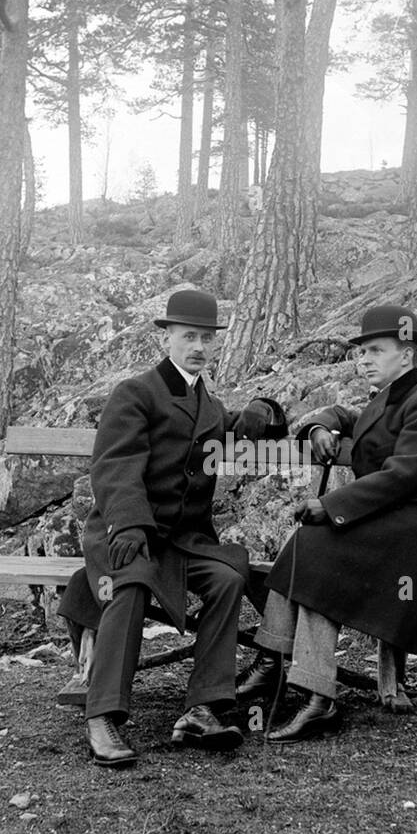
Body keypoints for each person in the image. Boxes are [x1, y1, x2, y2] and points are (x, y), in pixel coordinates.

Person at [58, 289, 285, 767]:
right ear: (168, 338)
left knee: (227, 579)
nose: (198, 346)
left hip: (182, 541)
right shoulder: (136, 393)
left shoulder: (207, 401)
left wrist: (262, 411)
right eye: (188, 336)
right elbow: (115, 467)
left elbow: (230, 425)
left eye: (206, 338)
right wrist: (129, 525)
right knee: (131, 582)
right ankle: (103, 716)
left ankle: (203, 707)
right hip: (127, 531)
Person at [236, 303, 417, 740]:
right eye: (360, 352)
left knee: (316, 545)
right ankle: (294, 678)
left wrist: (332, 505)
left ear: (407, 355)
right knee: (312, 545)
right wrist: (317, 428)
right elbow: (346, 417)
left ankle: (297, 680)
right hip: (393, 521)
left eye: (375, 351)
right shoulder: (390, 399)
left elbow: (404, 475)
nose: (363, 360)